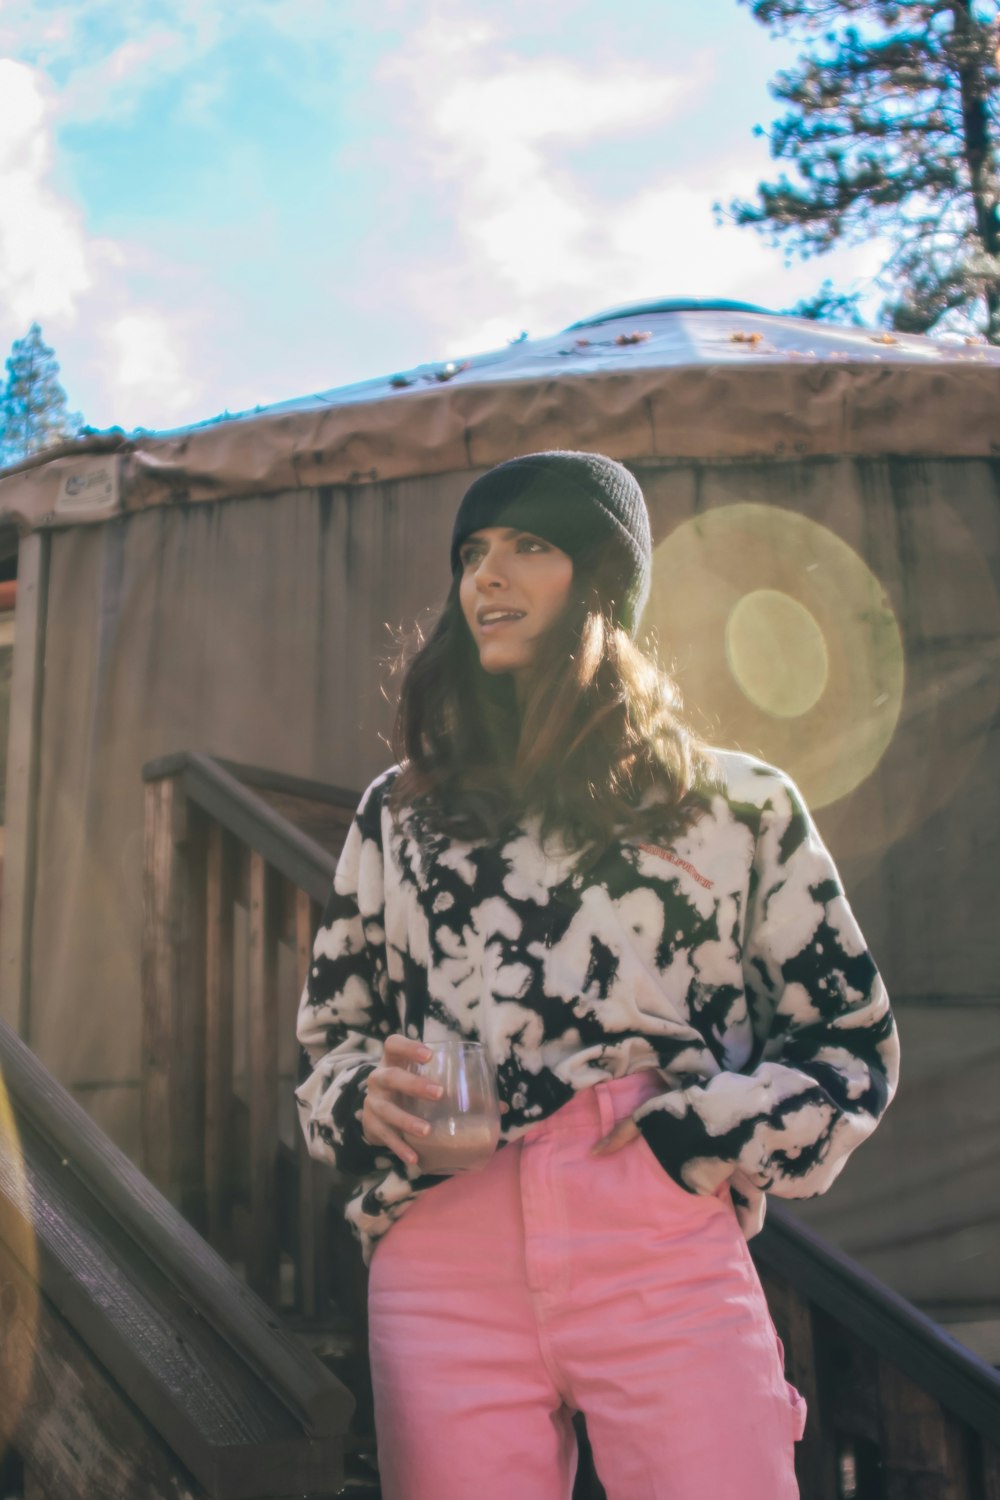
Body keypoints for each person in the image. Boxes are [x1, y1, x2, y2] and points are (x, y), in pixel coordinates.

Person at [295, 450, 899, 1500]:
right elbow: (328, 1043)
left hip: (658, 1239)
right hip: (443, 1250)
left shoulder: (737, 805)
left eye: (530, 545)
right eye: (473, 554)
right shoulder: (401, 810)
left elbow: (849, 1048)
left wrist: (696, 1134)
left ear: (603, 578)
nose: (486, 576)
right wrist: (362, 1098)